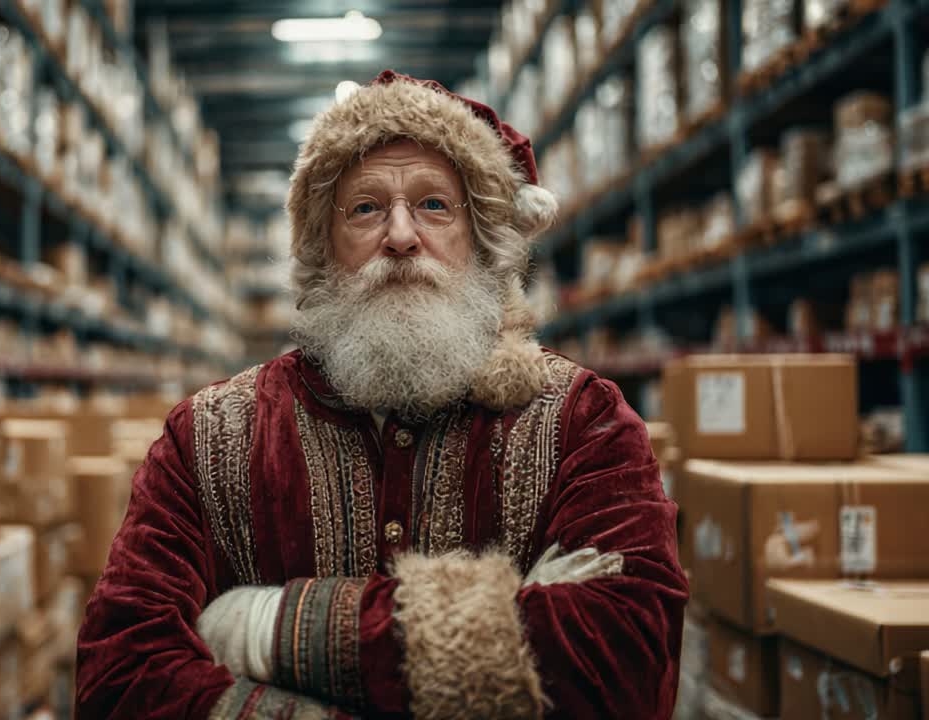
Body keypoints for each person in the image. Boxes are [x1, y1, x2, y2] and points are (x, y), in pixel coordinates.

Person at [76, 70, 687, 719]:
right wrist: (510, 627)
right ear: (321, 244)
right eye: (366, 208)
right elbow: (119, 678)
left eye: (434, 205)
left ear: (480, 239)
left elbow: (625, 664)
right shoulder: (208, 437)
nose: (400, 235)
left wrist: (270, 630)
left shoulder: (583, 422)